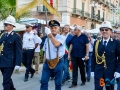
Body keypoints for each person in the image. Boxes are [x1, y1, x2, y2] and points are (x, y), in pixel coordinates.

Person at [91, 21, 120, 90]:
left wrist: (118, 70)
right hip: (99, 72)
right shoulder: (97, 42)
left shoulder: (116, 43)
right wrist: (92, 70)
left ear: (110, 31)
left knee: (109, 88)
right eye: (102, 30)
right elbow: (93, 57)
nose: (104, 31)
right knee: (98, 88)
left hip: (110, 73)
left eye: (106, 30)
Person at [40, 20, 65, 90]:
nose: (53, 29)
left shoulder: (61, 37)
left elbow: (56, 44)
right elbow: (45, 51)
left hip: (58, 62)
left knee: (58, 83)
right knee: (43, 81)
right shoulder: (47, 39)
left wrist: (50, 35)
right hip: (47, 62)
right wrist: (44, 63)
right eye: (51, 28)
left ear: (58, 29)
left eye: (55, 28)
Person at [0, 15, 22, 90]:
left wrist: (17, 63)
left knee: (5, 82)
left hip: (10, 62)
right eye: (4, 24)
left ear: (11, 26)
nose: (4, 26)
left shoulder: (16, 37)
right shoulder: (3, 35)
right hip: (2, 61)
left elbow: (18, 51)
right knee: (8, 79)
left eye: (6, 24)